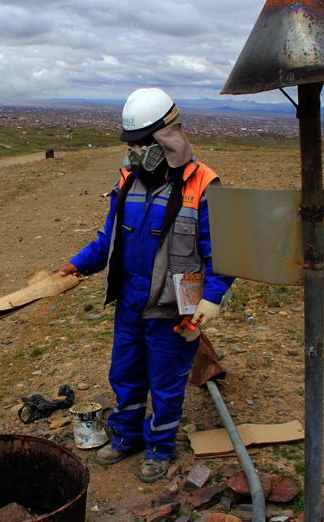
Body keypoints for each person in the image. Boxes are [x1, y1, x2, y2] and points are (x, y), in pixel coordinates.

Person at [59, 88, 235, 482]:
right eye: (132, 144)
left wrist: (209, 300)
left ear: (168, 138)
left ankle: (159, 448)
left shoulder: (204, 184)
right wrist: (78, 265)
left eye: (144, 143)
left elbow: (222, 252)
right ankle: (128, 438)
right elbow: (109, 240)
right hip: (132, 300)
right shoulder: (126, 182)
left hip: (179, 301)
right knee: (125, 375)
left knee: (167, 383)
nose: (137, 153)